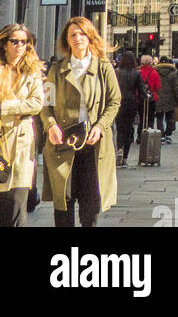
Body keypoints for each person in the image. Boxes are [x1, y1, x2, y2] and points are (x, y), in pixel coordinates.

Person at [41, 16, 121, 228]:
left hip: (93, 145)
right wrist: (51, 125)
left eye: (82, 34)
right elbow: (45, 105)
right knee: (63, 204)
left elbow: (115, 101)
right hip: (63, 145)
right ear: (67, 41)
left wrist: (100, 126)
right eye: (72, 35)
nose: (78, 38)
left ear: (90, 37)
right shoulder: (56, 70)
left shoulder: (103, 67)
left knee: (90, 207)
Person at [0, 22, 43, 226]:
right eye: (14, 41)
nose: (19, 45)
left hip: (21, 145)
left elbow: (36, 103)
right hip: (1, 142)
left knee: (17, 205)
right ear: (4, 44)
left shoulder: (32, 72)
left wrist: (7, 107)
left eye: (24, 42)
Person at [113, 50, 146, 164]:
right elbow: (141, 91)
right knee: (129, 128)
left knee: (120, 128)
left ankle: (119, 149)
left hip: (118, 103)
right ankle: (125, 156)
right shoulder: (137, 73)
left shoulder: (117, 72)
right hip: (131, 103)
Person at [155, 55, 178, 141]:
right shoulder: (173, 73)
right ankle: (168, 134)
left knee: (159, 118)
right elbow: (176, 87)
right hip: (170, 99)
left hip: (159, 98)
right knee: (170, 117)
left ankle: (161, 135)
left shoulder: (156, 72)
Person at [139, 54, 160, 129]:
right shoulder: (154, 73)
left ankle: (140, 134)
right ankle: (149, 134)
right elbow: (158, 87)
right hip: (151, 98)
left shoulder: (139, 72)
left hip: (140, 98)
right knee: (150, 117)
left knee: (142, 118)